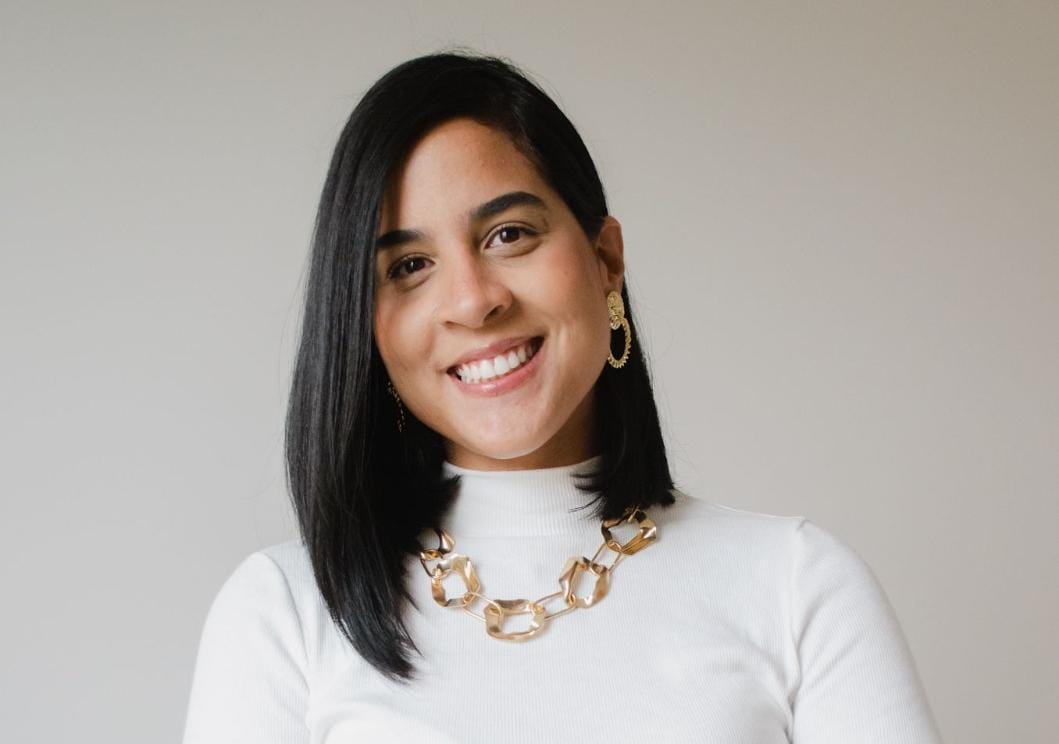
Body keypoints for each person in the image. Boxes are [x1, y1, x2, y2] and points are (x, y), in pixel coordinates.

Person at [181, 49, 944, 743]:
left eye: (508, 234)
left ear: (605, 259)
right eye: (409, 266)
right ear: (364, 325)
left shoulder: (793, 584)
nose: (472, 300)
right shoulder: (284, 612)